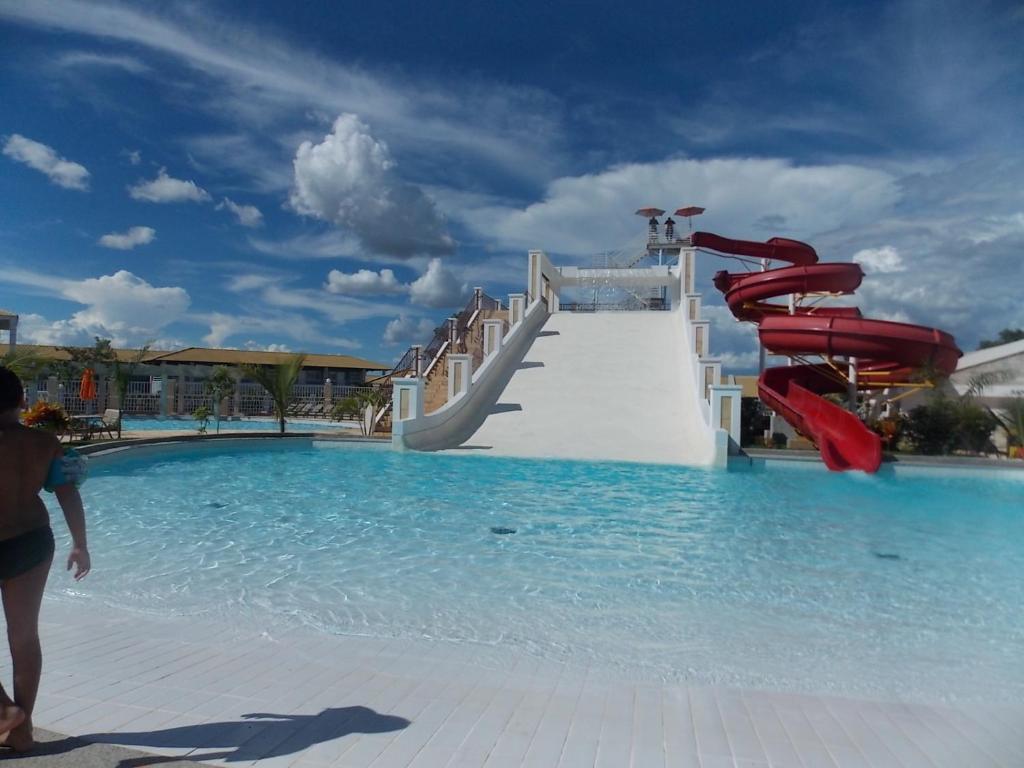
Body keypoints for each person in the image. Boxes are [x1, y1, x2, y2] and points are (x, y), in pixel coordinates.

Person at [0, 367, 90, 751]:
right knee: (24, 637)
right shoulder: (45, 441)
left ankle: (6, 712)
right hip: (33, 542)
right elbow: (67, 492)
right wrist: (80, 543)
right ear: (22, 401)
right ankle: (21, 730)